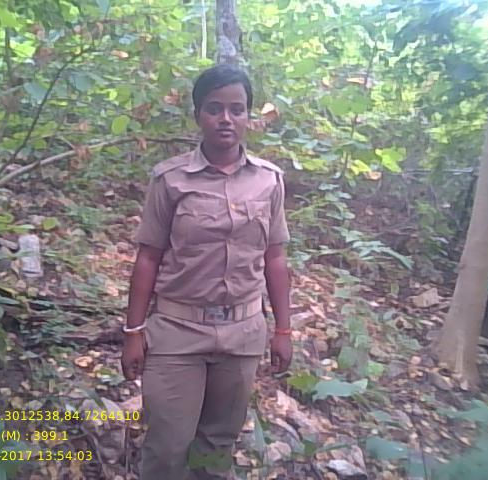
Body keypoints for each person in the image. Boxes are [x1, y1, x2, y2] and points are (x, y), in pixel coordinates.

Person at [120, 64, 292, 480]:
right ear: (198, 114)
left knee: (217, 447)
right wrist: (133, 333)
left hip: (243, 332)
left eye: (237, 109)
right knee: (167, 447)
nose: (226, 119)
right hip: (178, 331)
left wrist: (283, 330)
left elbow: (275, 258)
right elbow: (148, 258)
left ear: (249, 116)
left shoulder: (269, 181)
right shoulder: (170, 179)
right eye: (214, 108)